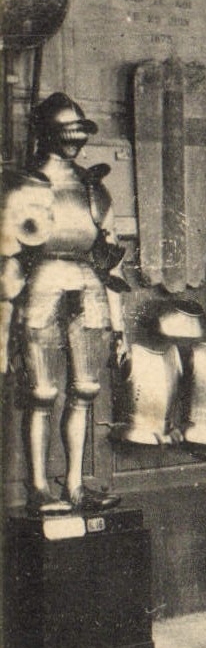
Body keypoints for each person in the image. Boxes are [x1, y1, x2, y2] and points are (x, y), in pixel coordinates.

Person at [1, 93, 129, 512]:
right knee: (40, 392)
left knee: (86, 388)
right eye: (65, 131)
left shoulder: (94, 189)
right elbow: (6, 261)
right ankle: (39, 487)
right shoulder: (21, 186)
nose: (73, 140)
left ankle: (74, 483)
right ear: (46, 133)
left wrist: (120, 328)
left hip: (88, 286)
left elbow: (110, 262)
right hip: (39, 287)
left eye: (78, 131)